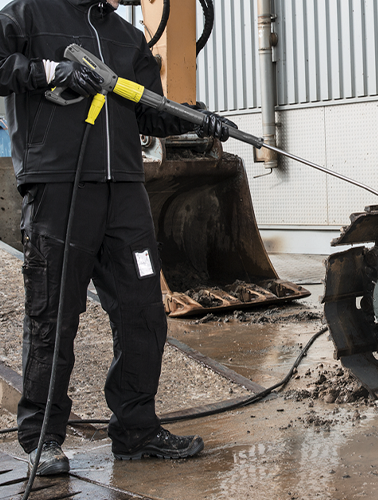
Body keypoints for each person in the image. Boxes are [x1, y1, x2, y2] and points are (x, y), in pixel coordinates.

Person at [0, 0, 236, 475]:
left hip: (126, 194)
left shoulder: (127, 37)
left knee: (144, 313)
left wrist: (195, 118)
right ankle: (43, 440)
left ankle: (136, 430)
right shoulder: (25, 15)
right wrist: (51, 70)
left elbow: (147, 111)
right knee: (54, 315)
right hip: (58, 187)